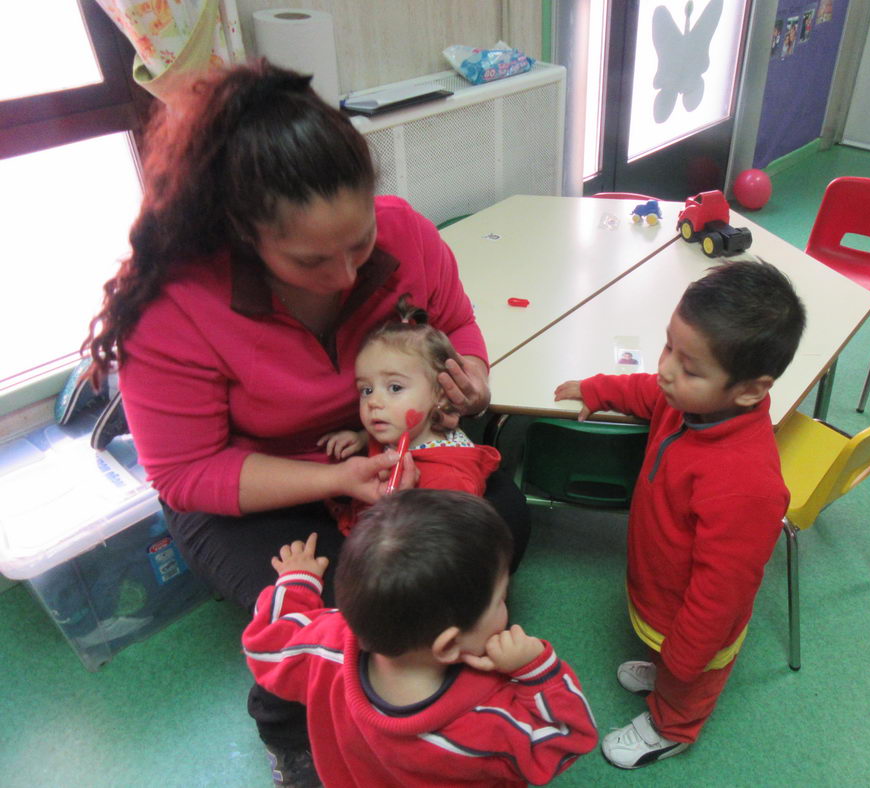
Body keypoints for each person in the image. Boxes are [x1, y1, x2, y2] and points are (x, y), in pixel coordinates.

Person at [82, 60, 529, 786]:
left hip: (377, 458)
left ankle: (425, 651)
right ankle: (293, 736)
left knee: (502, 519)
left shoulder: (404, 235)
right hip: (249, 489)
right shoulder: (175, 309)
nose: (348, 275)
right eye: (311, 260)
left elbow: (455, 325)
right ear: (241, 235)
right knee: (331, 602)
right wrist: (337, 477)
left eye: (358, 244)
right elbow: (187, 472)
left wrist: (467, 379)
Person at [553, 260, 806, 769]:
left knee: (690, 679)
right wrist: (599, 389)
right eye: (670, 346)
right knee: (671, 654)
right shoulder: (689, 400)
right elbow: (650, 392)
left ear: (751, 390)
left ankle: (671, 727)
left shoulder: (746, 486)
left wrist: (686, 659)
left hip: (696, 620)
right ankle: (666, 668)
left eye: (689, 367)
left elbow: (721, 593)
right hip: (662, 587)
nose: (667, 369)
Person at [243, 489, 598, 786]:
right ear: (447, 645)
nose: (506, 606)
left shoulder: (325, 645)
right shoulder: (485, 721)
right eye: (501, 599)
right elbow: (567, 738)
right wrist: (536, 669)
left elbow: (267, 643)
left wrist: (297, 582)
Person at [320, 296, 501, 534]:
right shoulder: (403, 428)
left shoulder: (448, 483)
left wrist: (401, 508)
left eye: (395, 388)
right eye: (366, 390)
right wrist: (363, 438)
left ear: (441, 394)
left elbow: (439, 552)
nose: (373, 401)